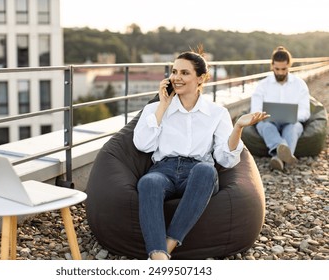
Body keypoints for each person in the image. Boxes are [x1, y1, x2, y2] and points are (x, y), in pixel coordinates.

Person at [133, 48, 269, 260]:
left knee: (206, 170)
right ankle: (159, 257)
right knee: (148, 183)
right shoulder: (155, 109)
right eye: (174, 71)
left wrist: (238, 127)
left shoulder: (217, 113)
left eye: (184, 73)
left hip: (197, 173)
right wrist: (162, 106)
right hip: (163, 170)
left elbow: (226, 158)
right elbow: (143, 145)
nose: (177, 77)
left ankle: (166, 246)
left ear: (201, 78)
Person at [250, 46, 311, 171]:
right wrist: (263, 116)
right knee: (265, 126)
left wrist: (292, 116)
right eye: (277, 69)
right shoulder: (262, 85)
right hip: (269, 122)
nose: (280, 72)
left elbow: (306, 112)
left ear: (290, 65)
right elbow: (254, 110)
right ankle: (283, 151)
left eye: (284, 69)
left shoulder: (300, 84)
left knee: (293, 128)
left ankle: (278, 157)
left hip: (292, 122)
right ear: (272, 65)